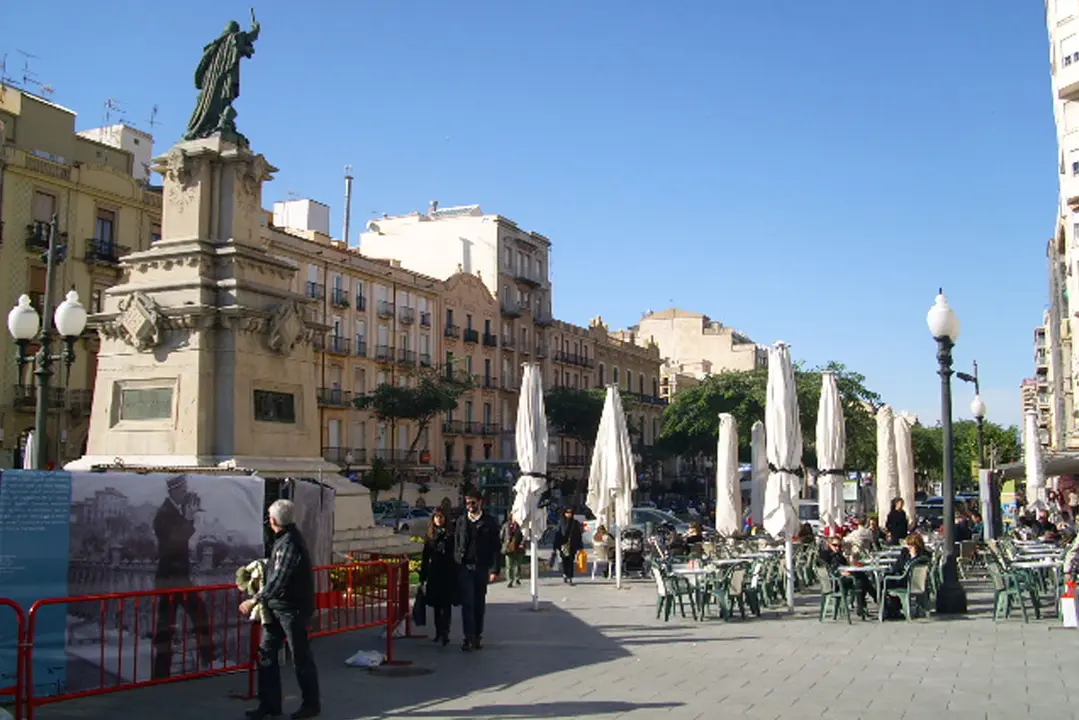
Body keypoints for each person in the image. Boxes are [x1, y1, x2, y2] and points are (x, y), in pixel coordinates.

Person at [241, 499, 320, 720]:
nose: (267, 520)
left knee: (300, 657)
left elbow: (279, 580)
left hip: (292, 609)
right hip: (277, 607)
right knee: (266, 654)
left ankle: (311, 704)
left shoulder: (289, 544)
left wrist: (253, 600)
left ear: (274, 520)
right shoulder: (283, 540)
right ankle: (269, 705)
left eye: (269, 517)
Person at [152, 476, 211, 680]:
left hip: (179, 578)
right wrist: (188, 519)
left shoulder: (175, 510)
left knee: (198, 613)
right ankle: (161, 673)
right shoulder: (164, 514)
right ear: (174, 491)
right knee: (166, 625)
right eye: (183, 490)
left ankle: (205, 658)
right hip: (169, 579)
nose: (186, 493)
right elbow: (175, 542)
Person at [454, 490, 501, 652]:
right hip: (465, 567)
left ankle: (477, 636)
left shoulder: (490, 522)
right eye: (467, 503)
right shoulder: (461, 521)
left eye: (473, 503)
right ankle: (468, 637)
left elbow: (496, 547)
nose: (470, 506)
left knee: (479, 604)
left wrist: (495, 569)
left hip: (481, 567)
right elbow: (457, 543)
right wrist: (456, 563)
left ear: (480, 503)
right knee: (467, 603)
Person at [420, 508, 456, 646]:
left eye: (441, 517)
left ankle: (445, 632)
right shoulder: (430, 535)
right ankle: (438, 631)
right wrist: (423, 576)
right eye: (436, 517)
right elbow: (425, 556)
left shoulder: (450, 534)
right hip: (434, 573)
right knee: (436, 605)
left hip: (447, 573)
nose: (439, 519)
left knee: (446, 605)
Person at [820, 534, 875, 618]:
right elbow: (829, 569)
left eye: (839, 545)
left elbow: (845, 565)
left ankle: (865, 606)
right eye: (835, 545)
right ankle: (874, 601)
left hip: (842, 578)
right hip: (835, 582)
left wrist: (850, 562)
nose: (837, 547)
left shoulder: (839, 554)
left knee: (862, 577)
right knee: (860, 581)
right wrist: (840, 573)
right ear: (829, 544)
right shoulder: (826, 555)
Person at [552, 507, 585, 585]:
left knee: (570, 561)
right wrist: (555, 546)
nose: (568, 514)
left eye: (570, 513)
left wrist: (580, 546)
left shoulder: (575, 523)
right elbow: (558, 534)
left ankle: (570, 577)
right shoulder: (561, 522)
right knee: (564, 561)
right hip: (563, 545)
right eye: (567, 513)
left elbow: (578, 535)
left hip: (572, 545)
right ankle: (565, 574)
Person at [500, 517, 525, 588]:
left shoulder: (521, 525)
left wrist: (522, 543)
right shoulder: (506, 525)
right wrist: (505, 544)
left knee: (518, 564)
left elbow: (525, 536)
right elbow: (501, 536)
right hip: (509, 548)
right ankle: (509, 580)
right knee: (509, 565)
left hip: (519, 547)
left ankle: (517, 578)